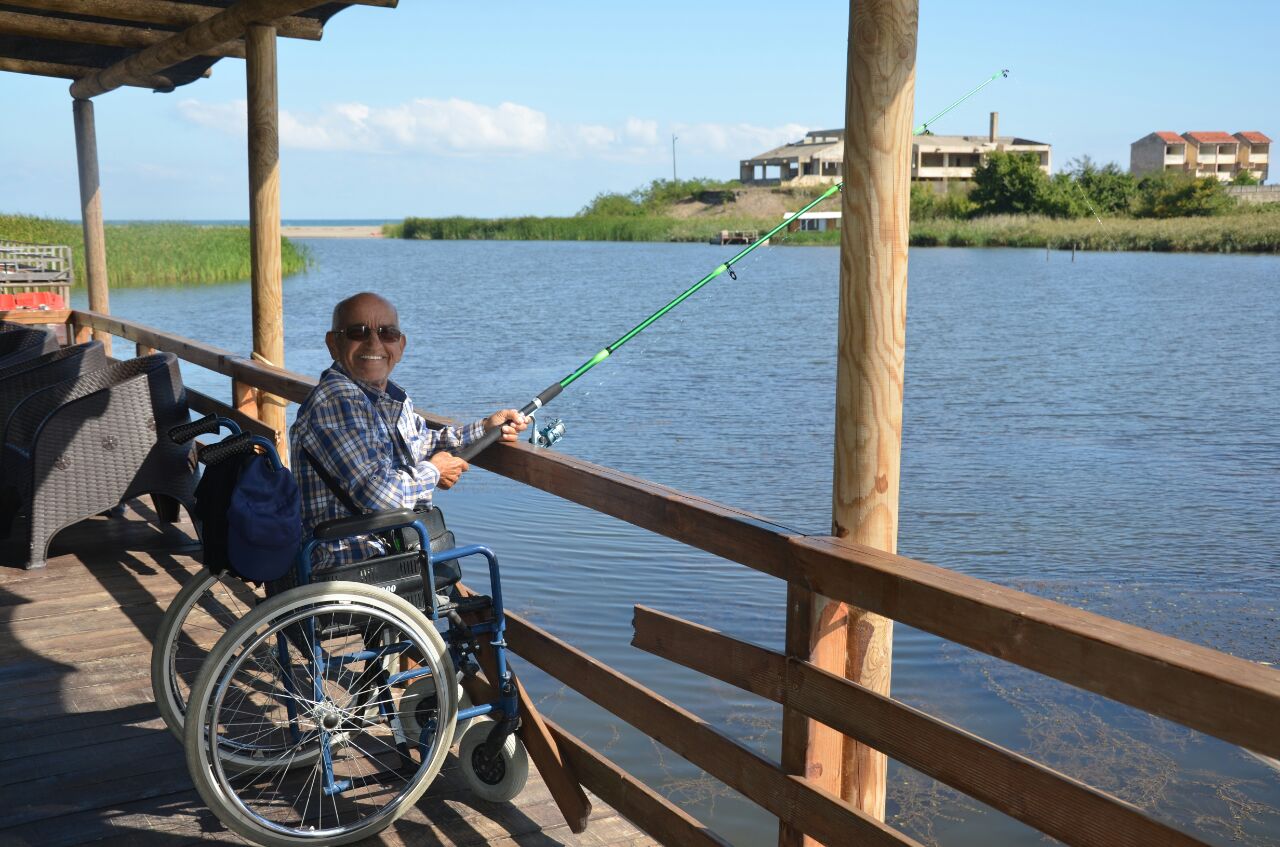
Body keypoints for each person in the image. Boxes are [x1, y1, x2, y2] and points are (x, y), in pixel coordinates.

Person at [291, 292, 526, 568]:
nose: (374, 342)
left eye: (387, 333)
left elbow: (423, 443)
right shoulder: (338, 401)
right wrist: (435, 472)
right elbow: (378, 494)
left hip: (387, 555)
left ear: (400, 346)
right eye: (359, 332)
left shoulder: (384, 398)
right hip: (352, 566)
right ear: (334, 343)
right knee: (488, 563)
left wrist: (485, 428)